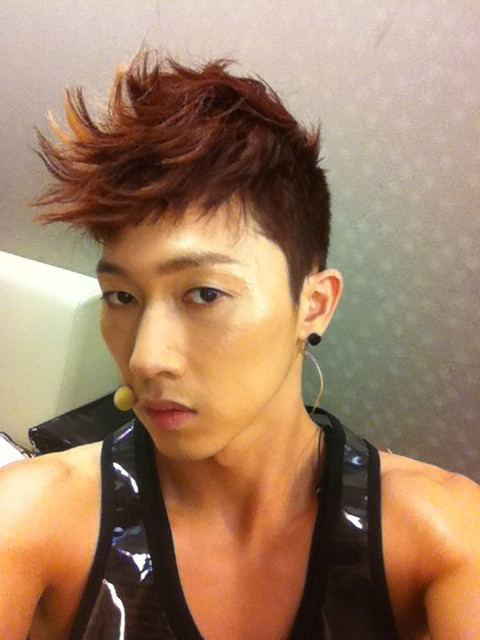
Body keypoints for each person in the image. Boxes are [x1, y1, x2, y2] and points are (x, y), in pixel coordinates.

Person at [1, 45, 479, 640]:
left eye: (204, 294)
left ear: (314, 305)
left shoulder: (442, 537)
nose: (146, 359)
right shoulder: (31, 521)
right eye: (121, 296)